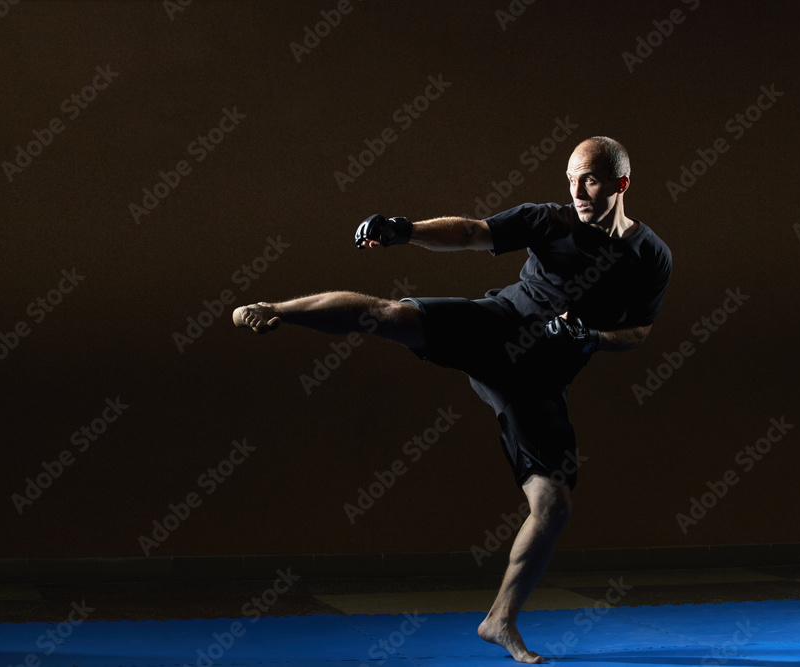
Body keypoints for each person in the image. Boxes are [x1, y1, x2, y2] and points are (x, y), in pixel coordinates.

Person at [232, 136, 672, 663]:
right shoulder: (547, 220)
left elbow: (640, 331)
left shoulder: (651, 255)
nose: (577, 190)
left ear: (621, 184)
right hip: (497, 326)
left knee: (553, 507)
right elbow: (471, 232)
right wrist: (407, 231)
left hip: (538, 380)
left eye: (591, 180)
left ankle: (499, 621)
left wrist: (590, 338)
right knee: (393, 316)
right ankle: (274, 307)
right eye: (572, 178)